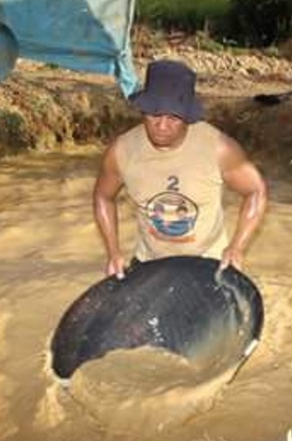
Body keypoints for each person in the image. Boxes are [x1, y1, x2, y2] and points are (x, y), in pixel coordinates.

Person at [93, 59, 268, 278]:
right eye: (155, 114)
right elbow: (103, 196)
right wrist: (113, 253)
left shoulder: (219, 149)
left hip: (207, 261)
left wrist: (236, 248)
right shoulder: (122, 151)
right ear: (143, 110)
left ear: (187, 116)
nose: (162, 126)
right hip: (150, 261)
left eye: (173, 117)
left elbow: (255, 190)